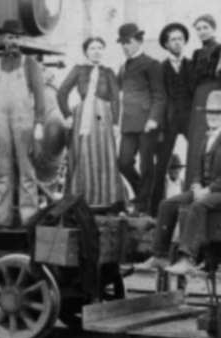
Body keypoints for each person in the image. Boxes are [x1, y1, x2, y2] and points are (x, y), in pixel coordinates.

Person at [140, 90, 221, 276]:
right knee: (167, 204)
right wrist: (197, 184)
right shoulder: (207, 138)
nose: (213, 117)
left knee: (197, 206)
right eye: (210, 113)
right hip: (208, 189)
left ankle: (188, 259)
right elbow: (198, 170)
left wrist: (208, 189)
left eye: (217, 113)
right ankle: (160, 255)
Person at [0, 20, 47, 228]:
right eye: (10, 37)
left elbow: (40, 95)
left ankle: (29, 219)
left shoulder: (31, 63)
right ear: (4, 39)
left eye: (17, 37)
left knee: (27, 171)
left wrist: (39, 124)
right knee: (2, 172)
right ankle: (2, 219)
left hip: (24, 122)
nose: (13, 41)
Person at [56, 36, 124, 209]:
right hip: (83, 115)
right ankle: (83, 199)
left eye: (100, 48)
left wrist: (116, 123)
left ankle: (105, 200)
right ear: (86, 52)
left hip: (103, 117)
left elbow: (116, 98)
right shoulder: (79, 70)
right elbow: (62, 92)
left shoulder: (108, 72)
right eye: (93, 48)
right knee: (83, 153)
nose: (97, 51)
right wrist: (67, 115)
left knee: (104, 154)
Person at [115, 21, 165, 214]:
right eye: (122, 43)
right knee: (124, 163)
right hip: (128, 124)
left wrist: (153, 119)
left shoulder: (152, 64)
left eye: (128, 42)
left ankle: (143, 205)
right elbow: (115, 89)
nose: (125, 47)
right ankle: (141, 196)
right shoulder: (123, 66)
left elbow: (159, 94)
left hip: (147, 123)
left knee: (146, 166)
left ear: (138, 41)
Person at [150, 22, 194, 211]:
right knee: (161, 165)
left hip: (189, 118)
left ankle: (194, 203)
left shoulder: (191, 64)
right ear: (166, 44)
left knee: (198, 157)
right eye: (173, 40)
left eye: (180, 39)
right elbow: (157, 96)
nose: (177, 43)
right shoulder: (159, 67)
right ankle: (154, 209)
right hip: (167, 121)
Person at [185, 14, 221, 188]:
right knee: (197, 137)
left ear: (213, 28)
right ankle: (194, 183)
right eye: (198, 29)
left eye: (205, 27)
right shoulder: (196, 53)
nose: (202, 32)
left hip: (214, 92)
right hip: (199, 97)